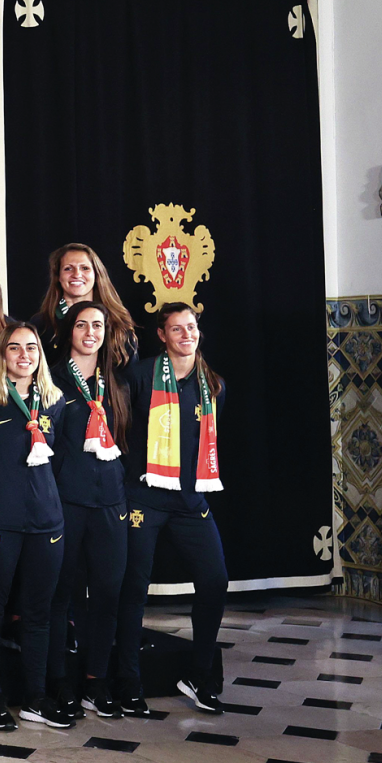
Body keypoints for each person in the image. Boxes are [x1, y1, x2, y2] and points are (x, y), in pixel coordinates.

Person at [115, 302, 228, 715]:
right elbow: (120, 434)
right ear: (161, 335)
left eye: (192, 327)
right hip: (143, 497)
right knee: (134, 588)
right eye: (177, 329)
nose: (186, 335)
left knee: (215, 580)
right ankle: (128, 682)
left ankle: (200, 675)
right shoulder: (139, 376)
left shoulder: (212, 383)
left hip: (189, 499)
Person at [0, 322, 71, 730]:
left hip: (47, 521)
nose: (24, 355)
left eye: (31, 347)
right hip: (1, 522)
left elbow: (61, 460)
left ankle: (36, 696)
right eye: (15, 348)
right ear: (1, 355)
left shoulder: (55, 401)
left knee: (39, 612)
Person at [48, 300, 130, 719]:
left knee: (107, 593)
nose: (91, 332)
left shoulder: (116, 379)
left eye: (97, 325)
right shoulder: (53, 380)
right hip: (67, 500)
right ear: (69, 332)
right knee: (62, 595)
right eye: (82, 325)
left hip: (110, 501)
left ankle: (97, 682)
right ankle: (62, 682)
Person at [35, 243, 137, 362]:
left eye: (85, 268)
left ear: (96, 274)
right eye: (68, 268)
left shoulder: (117, 322)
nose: (77, 274)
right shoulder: (42, 324)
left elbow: (129, 376)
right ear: (58, 276)